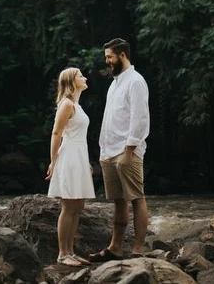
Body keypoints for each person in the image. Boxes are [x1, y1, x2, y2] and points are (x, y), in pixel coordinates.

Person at [89, 38, 150, 262]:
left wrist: (129, 149)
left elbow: (140, 118)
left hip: (127, 151)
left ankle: (137, 250)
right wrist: (103, 150)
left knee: (137, 198)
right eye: (107, 57)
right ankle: (115, 247)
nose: (107, 61)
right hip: (109, 151)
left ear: (122, 55)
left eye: (110, 57)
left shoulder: (135, 81)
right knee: (118, 201)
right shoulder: (114, 83)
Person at [46, 67, 95, 267]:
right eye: (80, 76)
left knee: (78, 206)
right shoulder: (66, 104)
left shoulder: (77, 105)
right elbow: (56, 133)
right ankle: (62, 253)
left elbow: (80, 136)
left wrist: (87, 163)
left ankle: (71, 252)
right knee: (68, 206)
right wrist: (53, 161)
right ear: (71, 82)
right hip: (68, 158)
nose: (84, 77)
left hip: (79, 156)